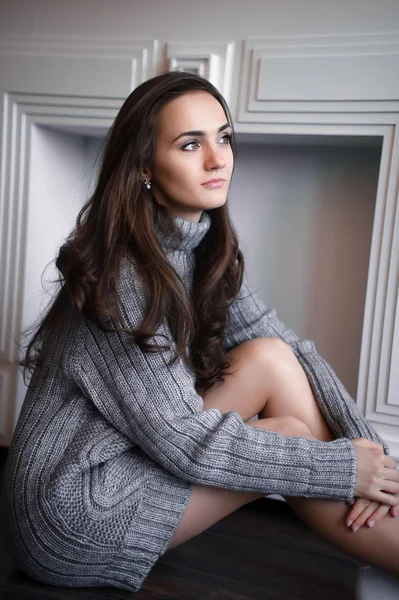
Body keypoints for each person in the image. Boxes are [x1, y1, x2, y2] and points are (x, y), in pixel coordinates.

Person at [2, 71, 399, 594]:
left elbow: (293, 355)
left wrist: (373, 460)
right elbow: (184, 441)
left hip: (136, 460)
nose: (218, 159)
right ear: (144, 166)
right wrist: (343, 467)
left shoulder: (203, 248)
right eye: (191, 144)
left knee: (273, 357)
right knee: (296, 440)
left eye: (224, 137)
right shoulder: (120, 280)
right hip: (71, 512)